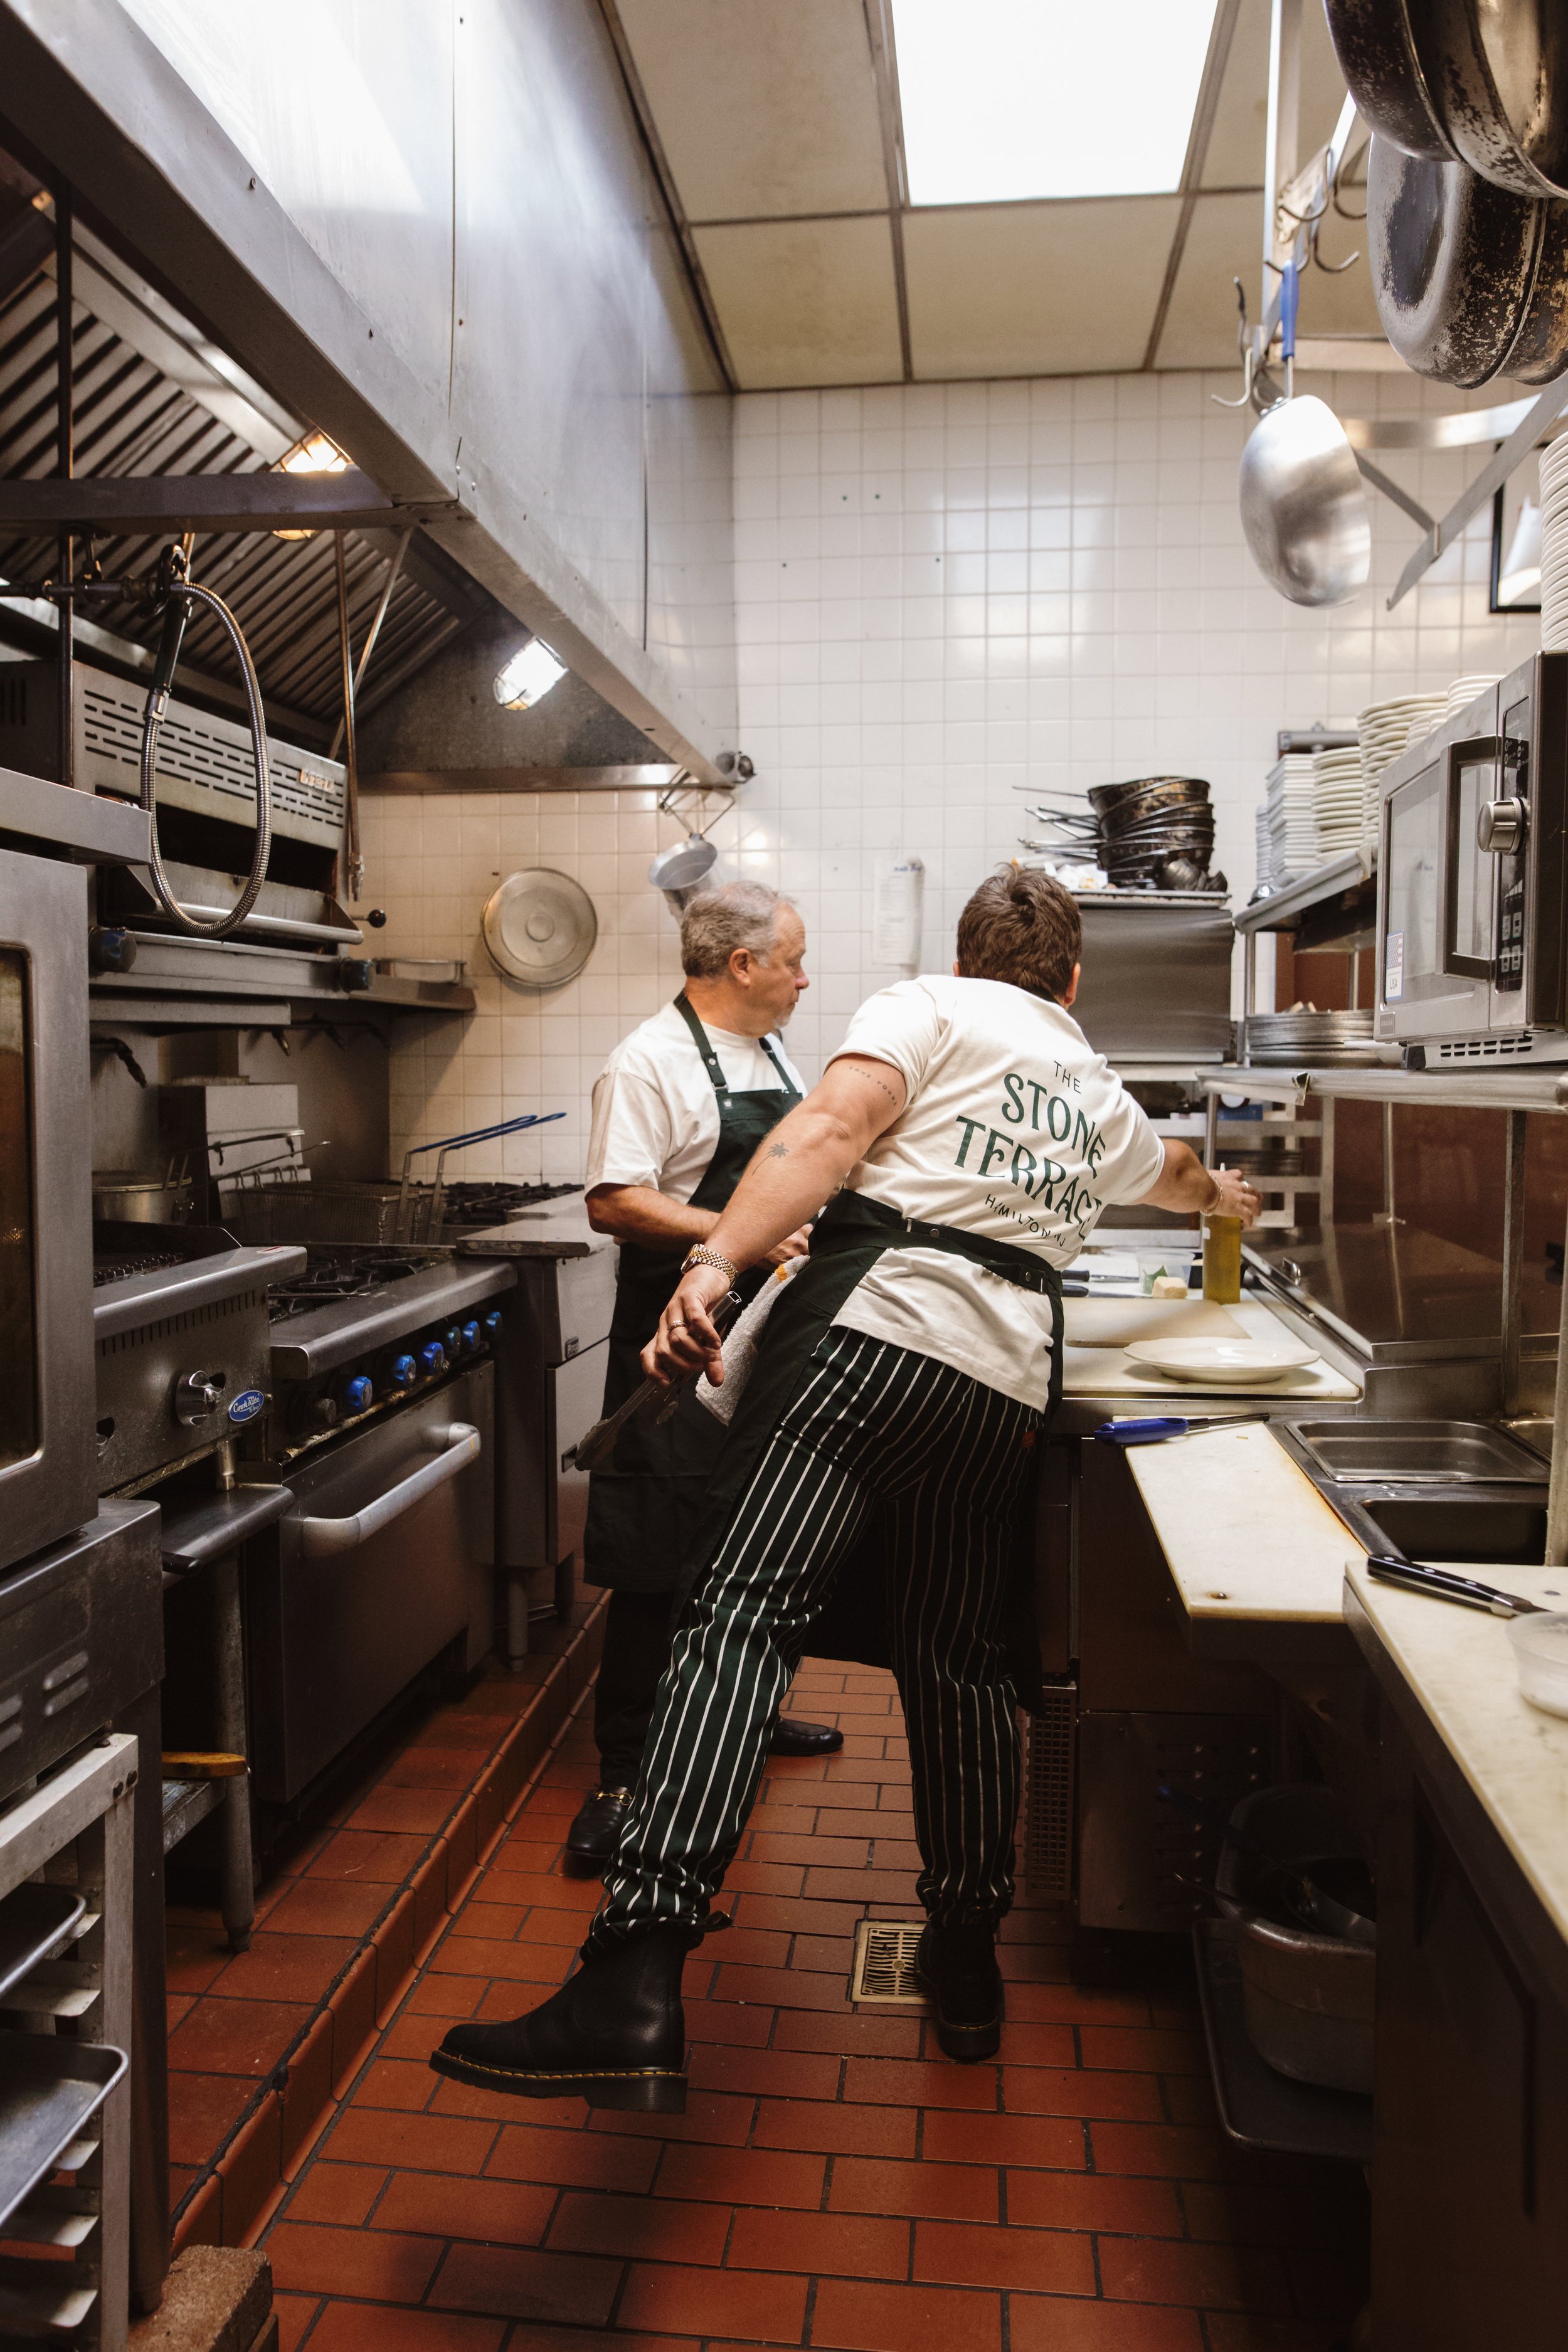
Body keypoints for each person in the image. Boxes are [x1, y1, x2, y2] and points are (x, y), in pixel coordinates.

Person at [432, 867, 1260, 2107]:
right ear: (1072, 982)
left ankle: (635, 1972)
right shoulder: (1095, 1092)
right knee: (957, 1663)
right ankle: (965, 1963)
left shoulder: (927, 1009)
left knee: (736, 1617)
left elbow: (822, 1132)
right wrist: (1226, 1206)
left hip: (863, 1353)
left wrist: (712, 1262)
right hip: (994, 1391)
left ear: (966, 960)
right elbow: (1181, 1174)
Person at [564, 879, 843, 1871]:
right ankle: (622, 1774)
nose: (806, 978)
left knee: (749, 1539)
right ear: (743, 965)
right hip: (673, 1348)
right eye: (794, 959)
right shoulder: (647, 1060)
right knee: (653, 1561)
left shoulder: (769, 1052)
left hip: (763, 1338)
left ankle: (744, 1714)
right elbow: (613, 1201)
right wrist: (744, 1236)